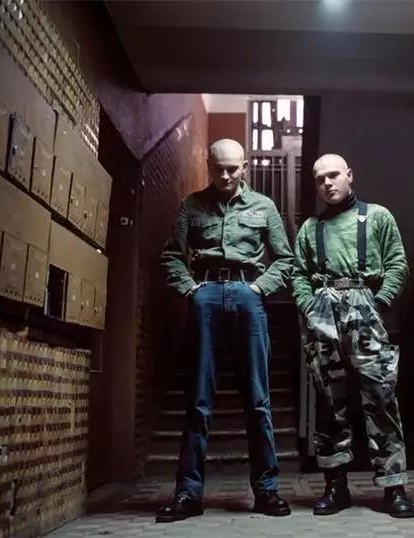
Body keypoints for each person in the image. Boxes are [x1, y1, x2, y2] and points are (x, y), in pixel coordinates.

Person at [157, 138, 294, 522]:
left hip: (248, 296)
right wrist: (191, 290)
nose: (226, 175)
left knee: (258, 400)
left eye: (233, 168)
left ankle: (266, 491)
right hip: (206, 297)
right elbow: (171, 255)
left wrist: (259, 288)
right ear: (209, 166)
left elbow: (285, 259)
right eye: (219, 168)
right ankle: (188, 494)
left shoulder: (263, 206)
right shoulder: (191, 205)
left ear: (245, 167)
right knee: (198, 401)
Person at [292, 153, 414, 518]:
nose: (327, 183)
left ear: (349, 175)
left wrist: (380, 301)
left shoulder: (377, 217)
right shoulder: (310, 228)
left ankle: (393, 488)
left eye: (333, 175)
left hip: (365, 307)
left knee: (381, 398)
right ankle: (336, 487)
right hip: (323, 311)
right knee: (329, 402)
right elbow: (298, 273)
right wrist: (309, 305)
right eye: (319, 179)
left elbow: (397, 263)